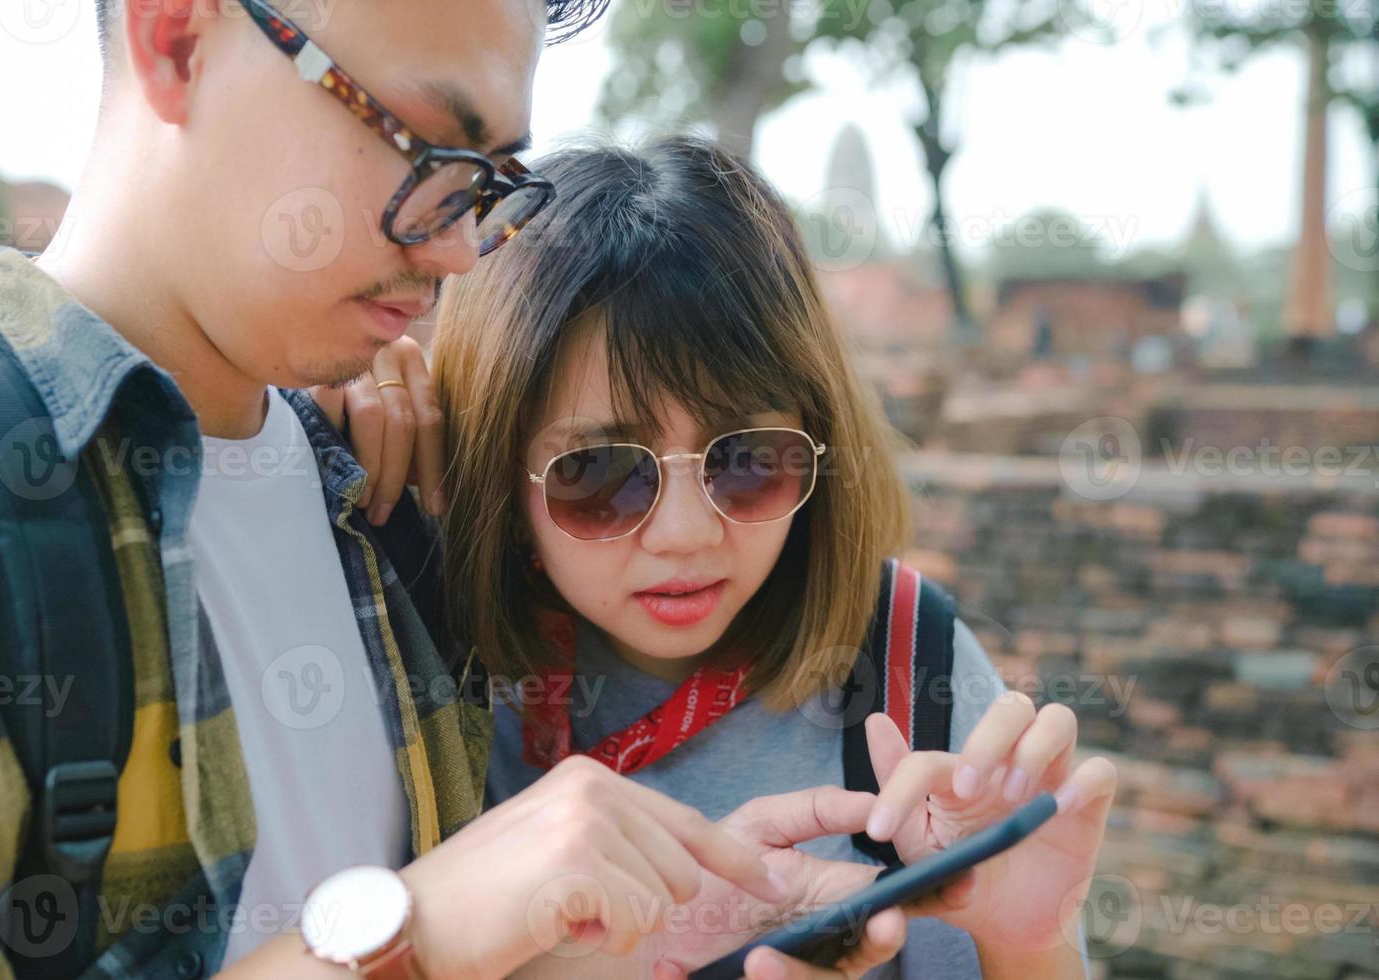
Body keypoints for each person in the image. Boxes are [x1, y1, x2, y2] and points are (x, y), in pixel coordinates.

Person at [0, 3, 944, 978]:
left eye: (489, 183)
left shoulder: (383, 508)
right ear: (176, 36)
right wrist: (411, 933)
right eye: (419, 146)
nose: (450, 250)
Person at [417, 136, 1119, 977]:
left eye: (746, 459)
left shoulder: (905, 665)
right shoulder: (437, 683)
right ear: (498, 470)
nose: (685, 533)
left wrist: (1026, 943)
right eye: (598, 472)